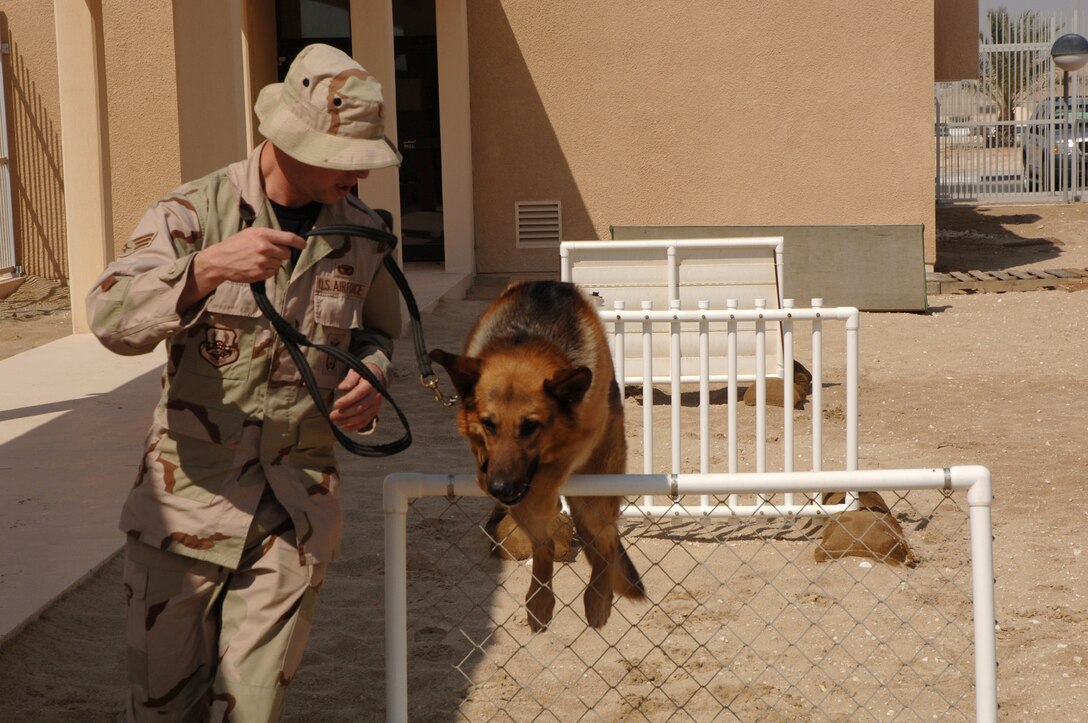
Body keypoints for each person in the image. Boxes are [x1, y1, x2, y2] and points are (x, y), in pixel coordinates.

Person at [86, 44, 402, 721]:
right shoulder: (193, 212)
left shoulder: (365, 234)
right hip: (185, 517)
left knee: (249, 712)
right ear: (286, 139)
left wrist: (373, 376)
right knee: (167, 711)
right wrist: (202, 270)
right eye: (342, 155)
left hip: (293, 518)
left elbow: (380, 337)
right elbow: (109, 317)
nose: (359, 171)